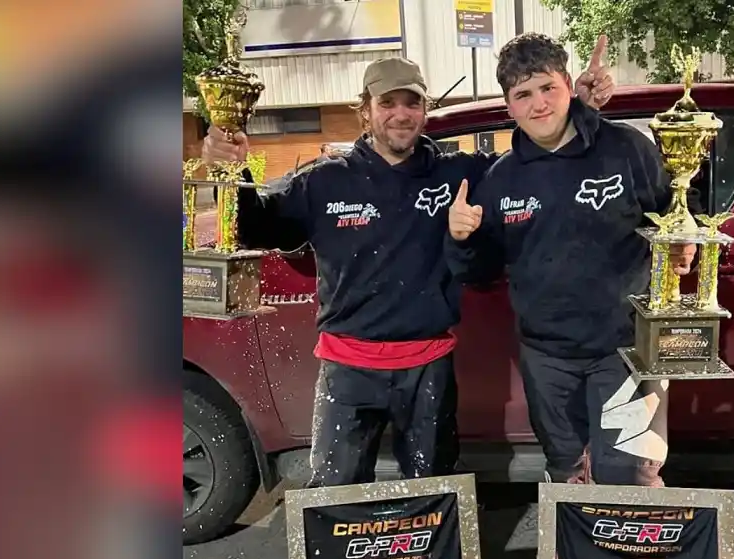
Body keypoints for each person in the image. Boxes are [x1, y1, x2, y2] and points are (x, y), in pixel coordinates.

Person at [201, 53, 613, 487]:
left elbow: (533, 161)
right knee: (335, 493)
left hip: (428, 368)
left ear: (425, 110)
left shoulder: (458, 174)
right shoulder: (322, 182)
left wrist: (578, 112)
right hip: (347, 372)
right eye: (388, 103)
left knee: (433, 490)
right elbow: (255, 227)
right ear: (365, 111)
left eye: (411, 103)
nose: (401, 115)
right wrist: (230, 168)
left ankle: (427, 556)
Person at [446, 33, 698, 487]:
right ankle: (577, 557)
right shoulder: (499, 180)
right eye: (523, 94)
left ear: (567, 84)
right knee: (565, 471)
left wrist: (686, 241)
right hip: (546, 358)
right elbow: (479, 272)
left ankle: (630, 553)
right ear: (509, 106)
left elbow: (676, 210)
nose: (538, 104)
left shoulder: (626, 149)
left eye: (547, 88)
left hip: (626, 351)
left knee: (629, 476)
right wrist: (462, 238)